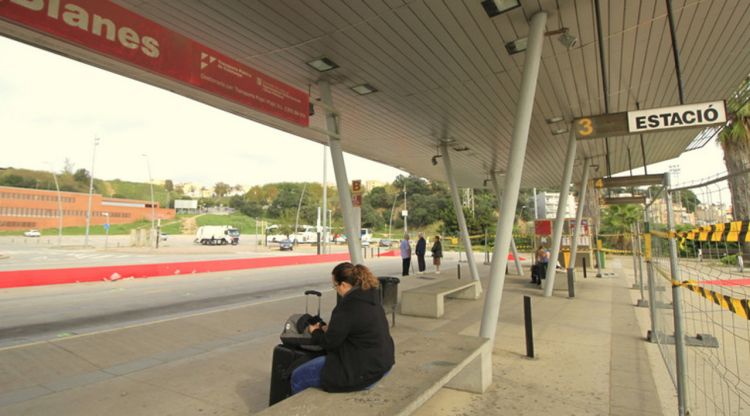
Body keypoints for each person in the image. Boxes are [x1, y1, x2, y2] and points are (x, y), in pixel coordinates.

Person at [290, 262, 395, 394]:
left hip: (364, 372)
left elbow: (329, 343)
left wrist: (315, 331)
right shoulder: (370, 297)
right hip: (383, 364)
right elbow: (357, 328)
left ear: (344, 285)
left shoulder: (347, 306)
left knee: (297, 377)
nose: (336, 289)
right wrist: (332, 328)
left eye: (335, 285)